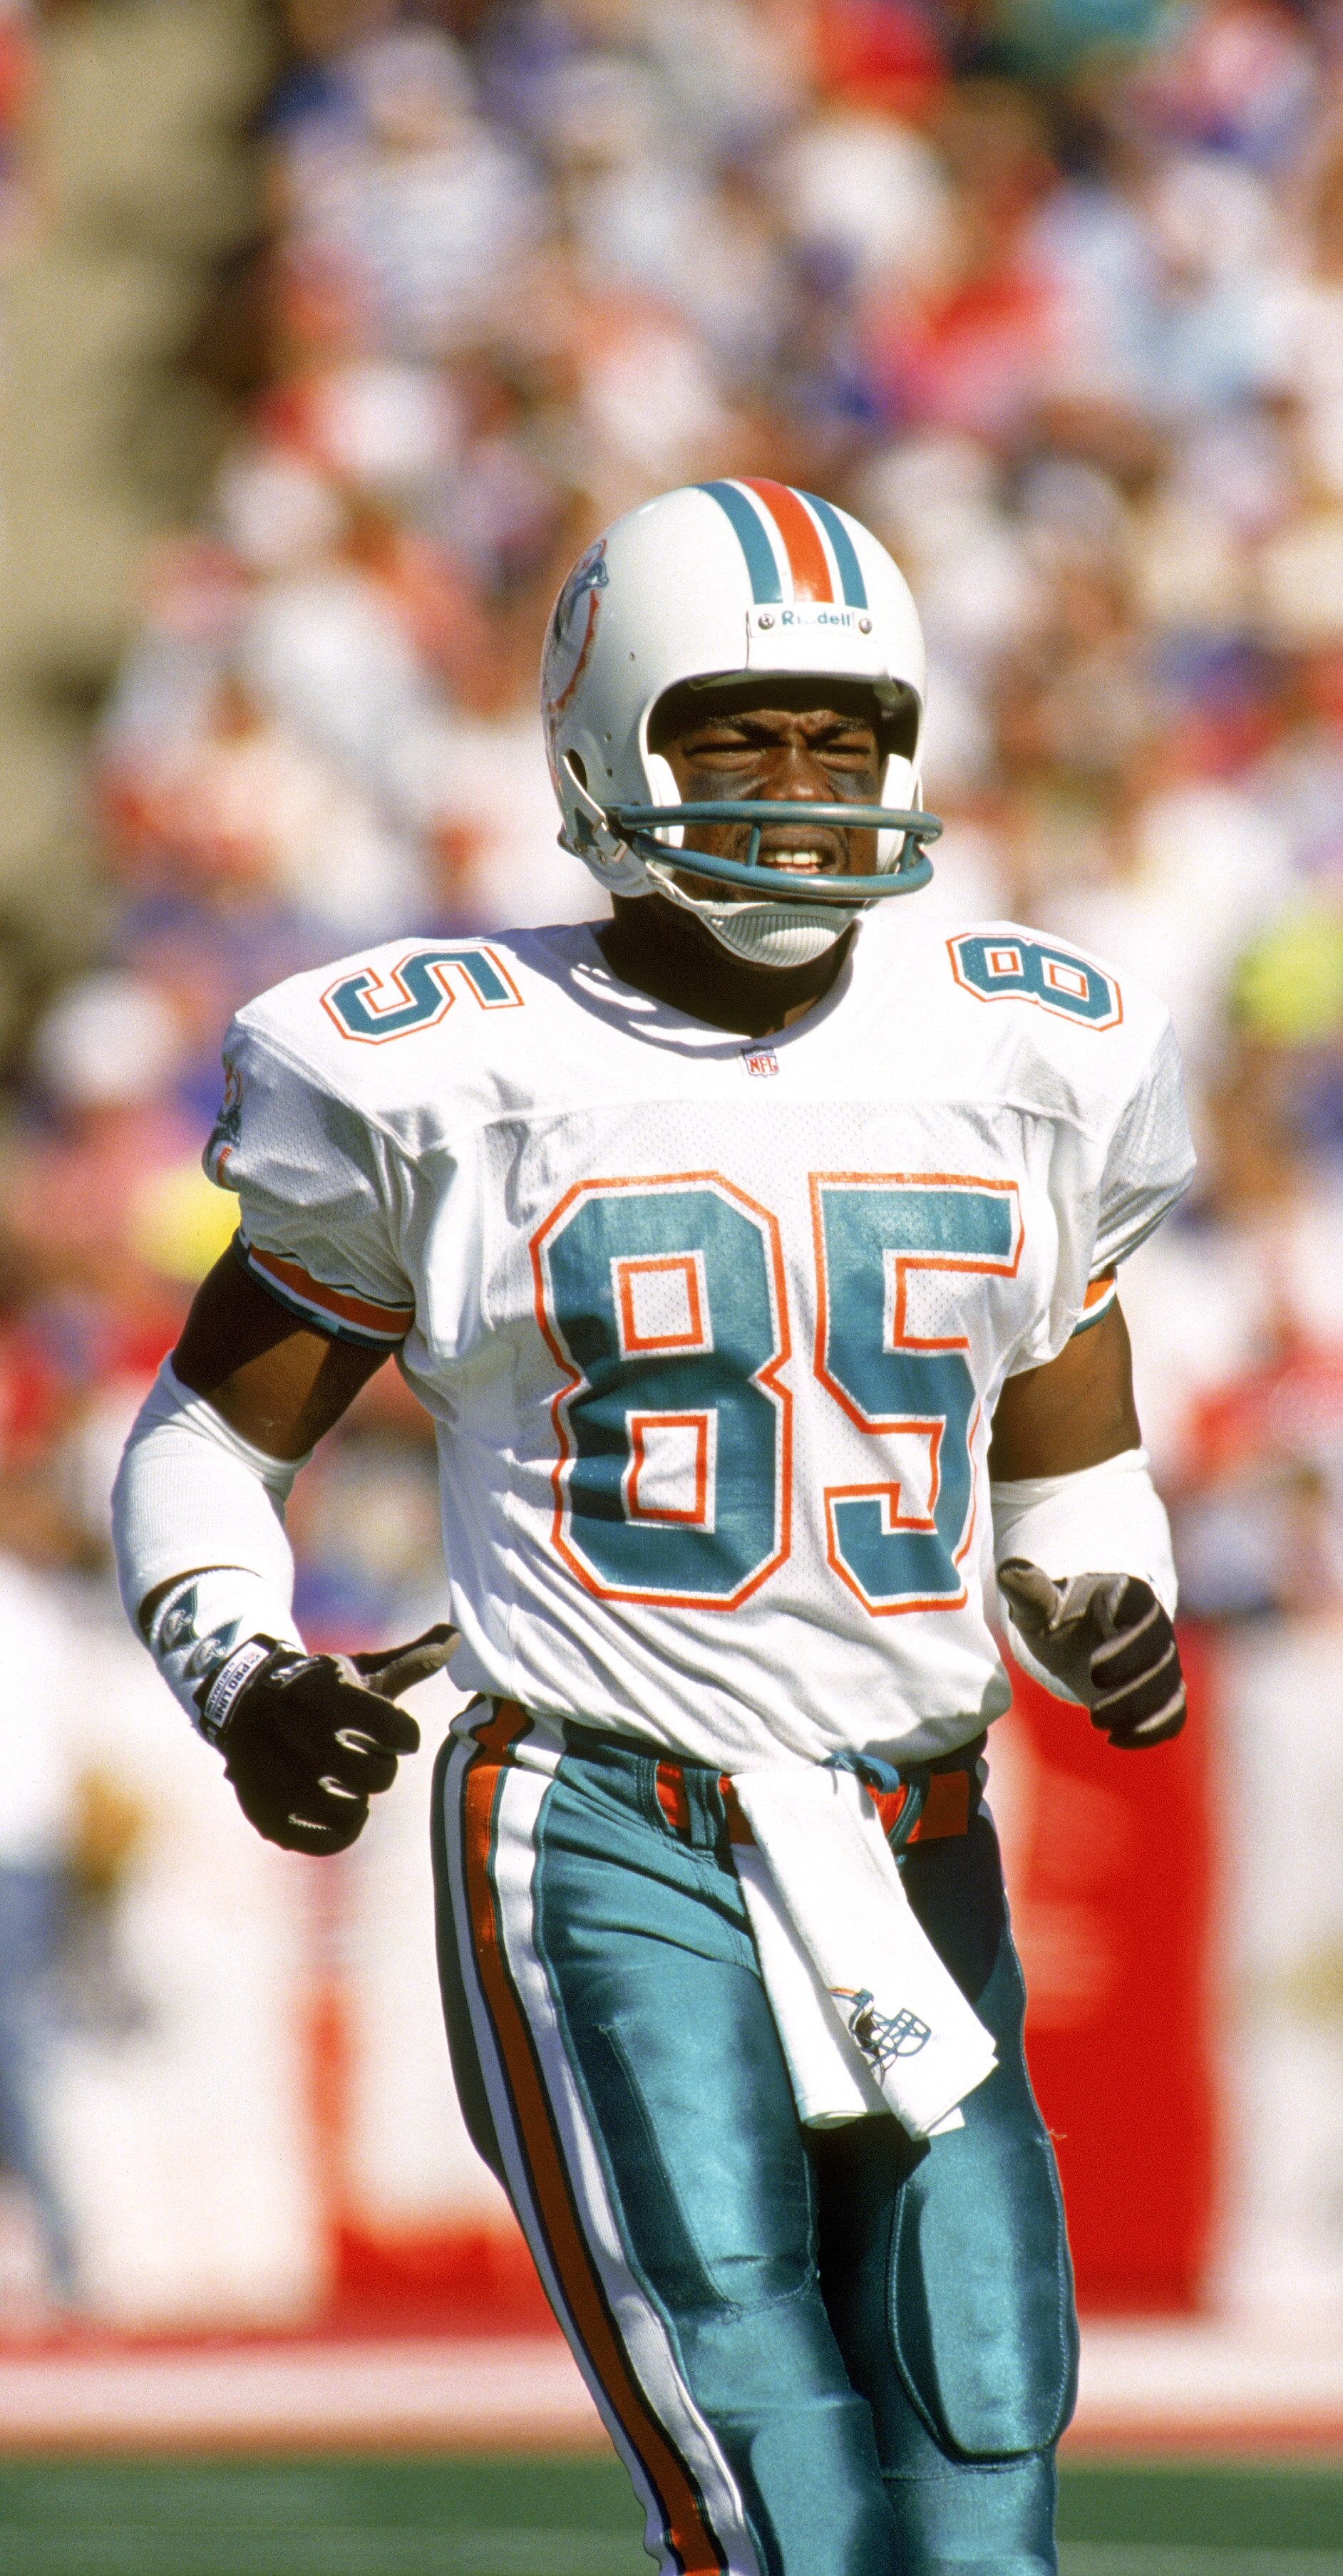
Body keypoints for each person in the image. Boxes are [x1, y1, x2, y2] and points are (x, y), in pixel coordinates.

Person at [111, 480, 1193, 2576]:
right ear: (608, 738)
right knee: (768, 2466)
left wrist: (1103, 1597)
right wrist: (236, 1669)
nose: (803, 789)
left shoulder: (1030, 1048)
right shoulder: (444, 1073)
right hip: (604, 1813)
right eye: (740, 732)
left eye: (843, 734)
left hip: (913, 1830)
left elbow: (1072, 1461)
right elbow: (204, 1440)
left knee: (986, 2464)